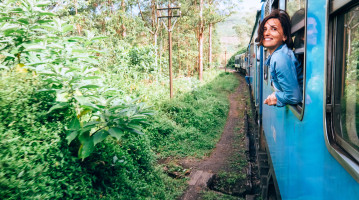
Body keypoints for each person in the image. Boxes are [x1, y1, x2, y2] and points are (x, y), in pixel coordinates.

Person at [255, 9, 303, 107]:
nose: (266, 33)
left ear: (284, 36)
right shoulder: (280, 54)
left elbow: (294, 97)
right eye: (264, 29)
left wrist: (276, 96)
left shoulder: (280, 58)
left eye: (273, 29)